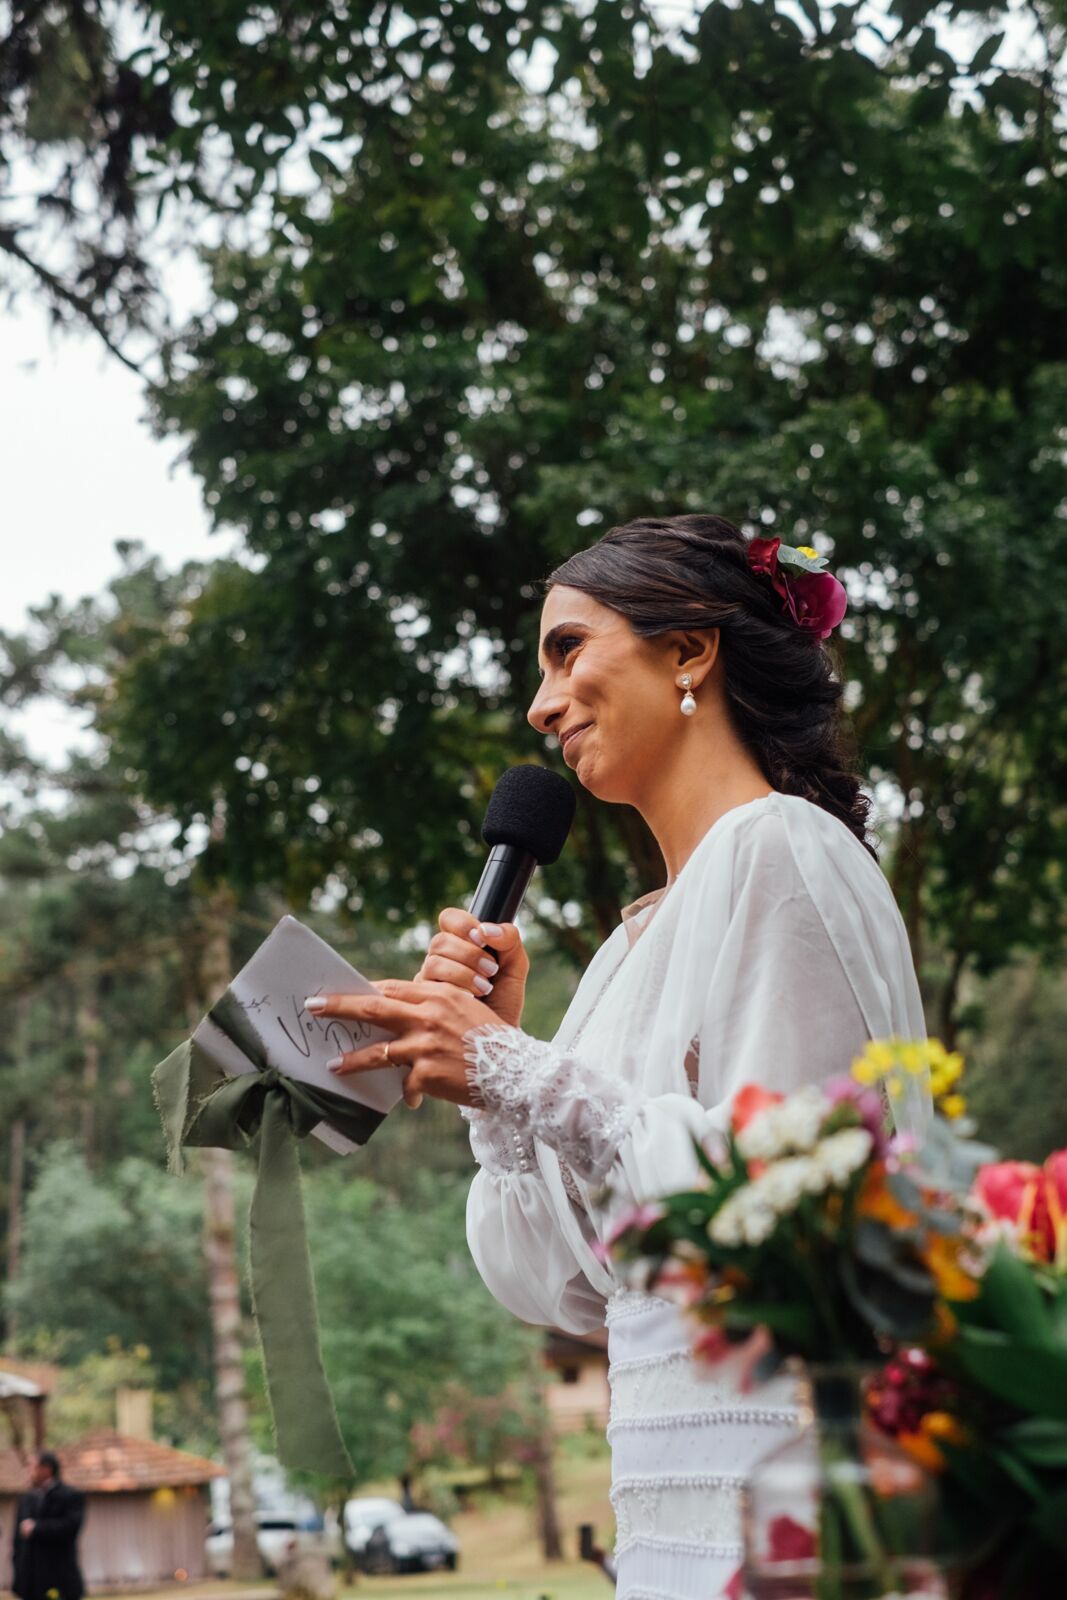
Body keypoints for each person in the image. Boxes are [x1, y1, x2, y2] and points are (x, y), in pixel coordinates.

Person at [308, 513, 932, 1600]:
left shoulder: (780, 848)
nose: (539, 704)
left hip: (788, 1475)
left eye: (565, 648)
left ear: (689, 650)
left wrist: (517, 1068)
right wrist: (493, 1089)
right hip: (663, 1503)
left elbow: (802, 1201)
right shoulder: (625, 944)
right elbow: (559, 1286)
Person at [12, 1451, 85, 1600]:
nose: (29, 1471)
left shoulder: (70, 1496)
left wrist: (37, 1527)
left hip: (59, 1576)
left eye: (32, 1467)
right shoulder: (27, 1498)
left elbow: (71, 1526)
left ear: (46, 1469)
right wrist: (18, 1570)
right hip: (30, 1580)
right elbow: (17, 1540)